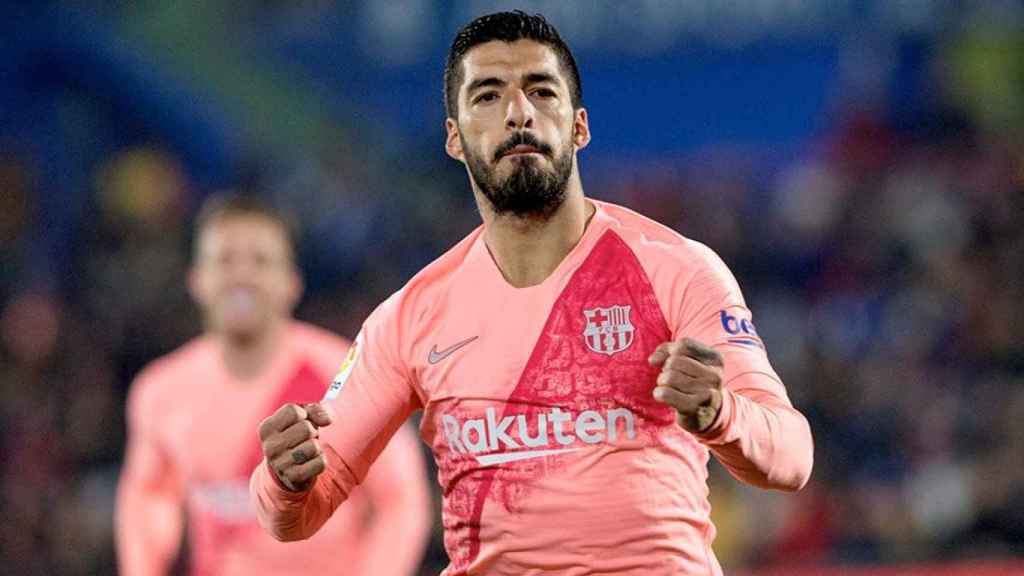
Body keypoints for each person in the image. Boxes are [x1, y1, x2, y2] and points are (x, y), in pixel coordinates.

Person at [251, 11, 813, 575]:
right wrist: (284, 479)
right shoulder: (411, 316)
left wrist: (720, 413)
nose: (519, 113)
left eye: (541, 91)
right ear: (454, 136)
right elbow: (296, 515)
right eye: (488, 96)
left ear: (579, 126)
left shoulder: (675, 270)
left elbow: (791, 457)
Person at [116, 194, 432, 576]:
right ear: (196, 281)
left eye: (260, 261)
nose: (242, 276)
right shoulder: (161, 391)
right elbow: (150, 495)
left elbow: (400, 500)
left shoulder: (346, 374)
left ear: (291, 283)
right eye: (225, 260)